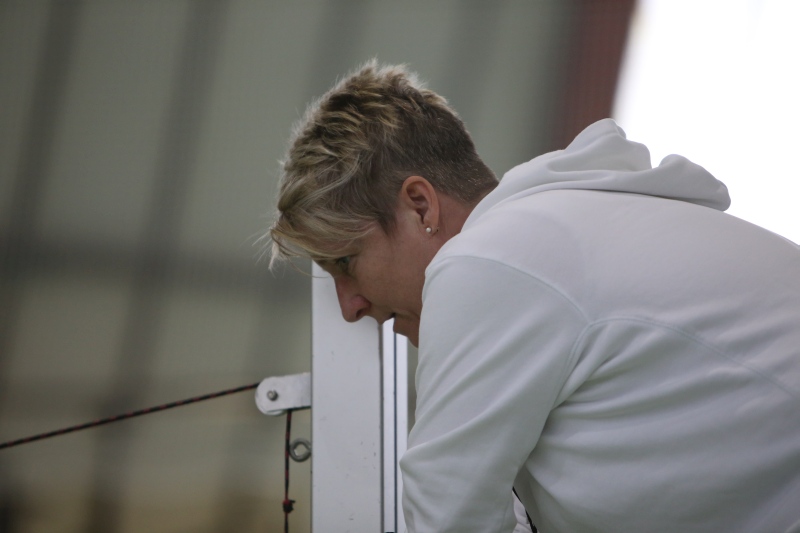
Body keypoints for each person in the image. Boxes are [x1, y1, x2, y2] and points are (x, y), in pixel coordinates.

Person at [268, 60, 800, 532]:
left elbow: (447, 514)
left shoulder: (490, 258)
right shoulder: (569, 230)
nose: (349, 307)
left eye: (346, 262)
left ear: (421, 207)